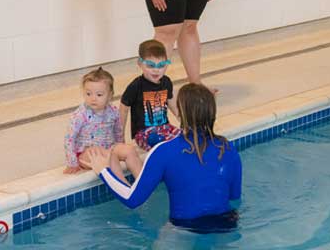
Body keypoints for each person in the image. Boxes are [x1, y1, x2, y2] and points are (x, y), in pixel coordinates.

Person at [88, 83, 242, 233]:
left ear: (180, 114)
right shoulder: (228, 148)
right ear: (212, 113)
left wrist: (103, 171)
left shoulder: (164, 151)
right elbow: (234, 197)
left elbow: (132, 199)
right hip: (226, 223)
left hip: (184, 227)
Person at [62, 68, 140, 181]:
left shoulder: (113, 111)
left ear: (110, 95)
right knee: (109, 157)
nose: (93, 98)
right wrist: (72, 163)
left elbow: (118, 132)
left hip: (108, 148)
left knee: (130, 150)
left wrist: (120, 147)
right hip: (86, 153)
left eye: (99, 95)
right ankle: (123, 187)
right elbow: (69, 139)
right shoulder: (80, 115)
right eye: (88, 94)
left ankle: (142, 182)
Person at [121, 40, 181, 151]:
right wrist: (120, 136)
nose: (156, 70)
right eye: (150, 65)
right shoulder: (136, 86)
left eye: (161, 66)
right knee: (158, 140)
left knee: (184, 137)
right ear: (140, 63)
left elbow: (171, 100)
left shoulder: (166, 82)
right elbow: (123, 109)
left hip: (164, 127)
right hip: (143, 132)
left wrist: (180, 117)